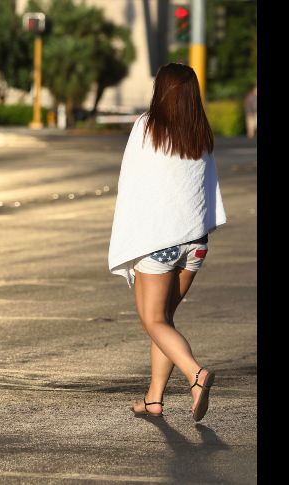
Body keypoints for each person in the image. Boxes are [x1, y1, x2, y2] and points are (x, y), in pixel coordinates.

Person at [108, 63, 227, 422]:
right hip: (196, 243)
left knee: (153, 320)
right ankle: (154, 399)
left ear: (161, 91)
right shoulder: (200, 133)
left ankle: (196, 374)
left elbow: (131, 183)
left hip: (160, 243)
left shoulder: (148, 126)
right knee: (165, 320)